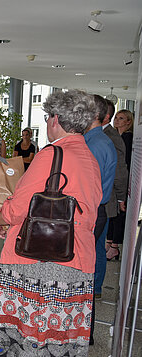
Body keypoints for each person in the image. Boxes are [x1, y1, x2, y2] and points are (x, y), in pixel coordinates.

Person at [0, 90, 102, 354]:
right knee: (61, 332)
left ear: (56, 118)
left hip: (39, 262)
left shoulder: (51, 154)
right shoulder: (90, 159)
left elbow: (17, 209)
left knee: (32, 331)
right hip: (77, 259)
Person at [84, 94, 117, 343]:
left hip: (92, 211)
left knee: (84, 271)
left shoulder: (94, 145)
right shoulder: (96, 140)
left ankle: (85, 330)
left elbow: (86, 187)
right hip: (97, 209)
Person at [104, 106, 132, 260]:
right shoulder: (113, 136)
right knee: (112, 212)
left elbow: (123, 163)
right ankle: (109, 242)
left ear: (128, 122)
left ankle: (114, 246)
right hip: (114, 180)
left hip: (122, 180)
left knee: (119, 212)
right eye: (117, 117)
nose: (117, 120)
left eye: (121, 118)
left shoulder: (127, 138)